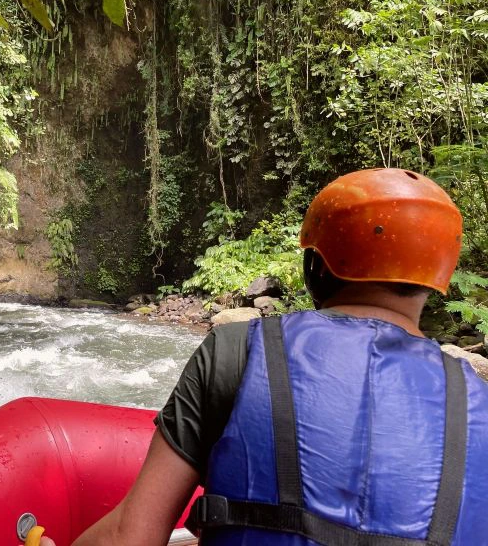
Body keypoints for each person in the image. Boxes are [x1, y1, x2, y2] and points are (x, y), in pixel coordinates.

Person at [63, 168, 488, 545]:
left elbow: (130, 537)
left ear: (314, 267)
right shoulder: (477, 403)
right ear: (436, 279)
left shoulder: (236, 351)